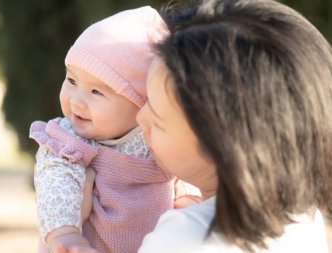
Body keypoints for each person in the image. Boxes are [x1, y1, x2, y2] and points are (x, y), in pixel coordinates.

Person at [64, 0, 332, 252]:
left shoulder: (186, 237)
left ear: (220, 141)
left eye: (156, 116)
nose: (140, 119)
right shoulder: (305, 218)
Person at [29, 6, 178, 253]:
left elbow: (185, 166)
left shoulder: (158, 137)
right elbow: (56, 181)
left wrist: (189, 199)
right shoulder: (69, 139)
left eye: (97, 92)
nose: (76, 100)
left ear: (141, 102)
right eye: (72, 81)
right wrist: (65, 233)